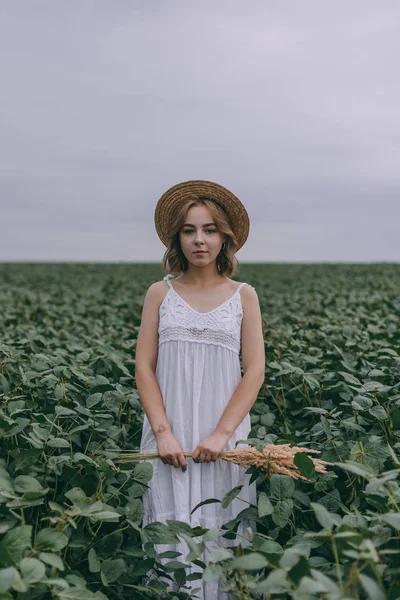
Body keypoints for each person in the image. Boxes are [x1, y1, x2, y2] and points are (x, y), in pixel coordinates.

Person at [135, 180, 265, 599]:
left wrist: (222, 435)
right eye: (189, 230)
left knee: (222, 536)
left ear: (225, 236)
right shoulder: (161, 293)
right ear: (177, 238)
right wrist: (162, 432)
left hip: (223, 436)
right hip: (168, 433)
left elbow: (255, 370)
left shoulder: (244, 297)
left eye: (209, 229)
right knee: (170, 537)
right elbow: (144, 365)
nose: (199, 240)